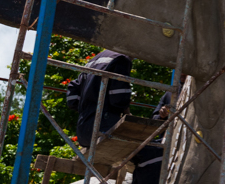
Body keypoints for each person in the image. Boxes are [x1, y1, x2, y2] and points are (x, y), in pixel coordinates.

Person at [65, 50, 165, 184]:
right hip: (104, 127)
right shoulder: (121, 59)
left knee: (143, 152)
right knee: (155, 154)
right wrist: (124, 110)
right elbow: (118, 98)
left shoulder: (93, 61)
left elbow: (72, 99)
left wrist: (89, 108)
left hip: (84, 131)